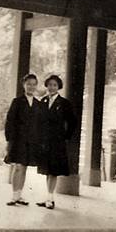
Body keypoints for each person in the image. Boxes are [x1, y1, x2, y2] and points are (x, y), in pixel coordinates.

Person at [37, 74, 76, 210]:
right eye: (49, 85)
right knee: (47, 170)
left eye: (54, 85)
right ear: (46, 86)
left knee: (53, 171)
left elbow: (72, 122)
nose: (52, 87)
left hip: (57, 141)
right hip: (45, 141)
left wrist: (65, 136)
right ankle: (48, 197)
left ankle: (50, 199)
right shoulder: (43, 101)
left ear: (58, 87)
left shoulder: (64, 103)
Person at [4, 73, 42, 206]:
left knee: (24, 168)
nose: (31, 87)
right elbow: (9, 122)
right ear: (23, 85)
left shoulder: (38, 104)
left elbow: (39, 124)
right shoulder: (17, 101)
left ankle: (20, 195)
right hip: (18, 140)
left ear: (36, 86)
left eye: (33, 84)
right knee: (18, 167)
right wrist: (9, 140)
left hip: (31, 141)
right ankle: (14, 196)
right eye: (28, 84)